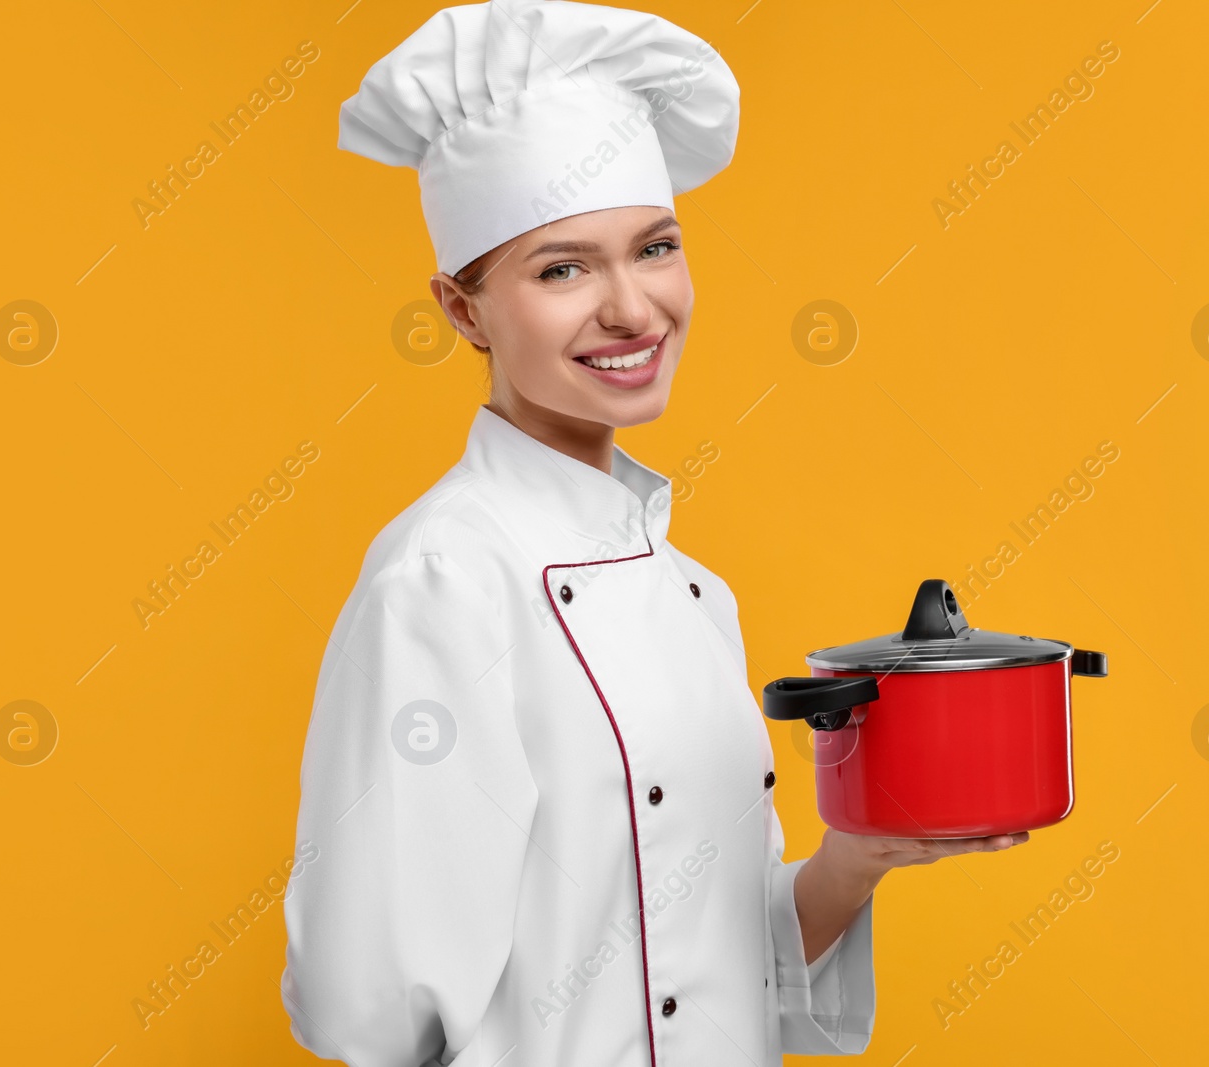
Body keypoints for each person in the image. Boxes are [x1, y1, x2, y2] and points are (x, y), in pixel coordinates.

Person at [280, 2, 1027, 1063]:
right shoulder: (445, 579)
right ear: (462, 309)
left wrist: (855, 857)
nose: (633, 309)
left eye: (655, 248)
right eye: (561, 268)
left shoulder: (693, 592)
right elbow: (370, 1007)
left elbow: (714, 973)